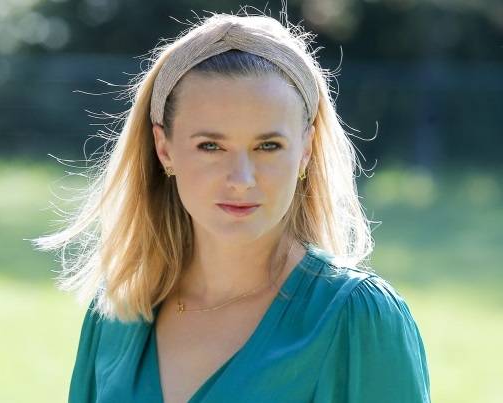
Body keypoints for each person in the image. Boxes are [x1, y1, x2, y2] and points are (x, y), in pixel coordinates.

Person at [32, 9, 431, 403]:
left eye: (268, 146)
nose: (241, 179)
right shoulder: (116, 312)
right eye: (211, 146)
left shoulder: (357, 318)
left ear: (305, 150)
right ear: (164, 148)